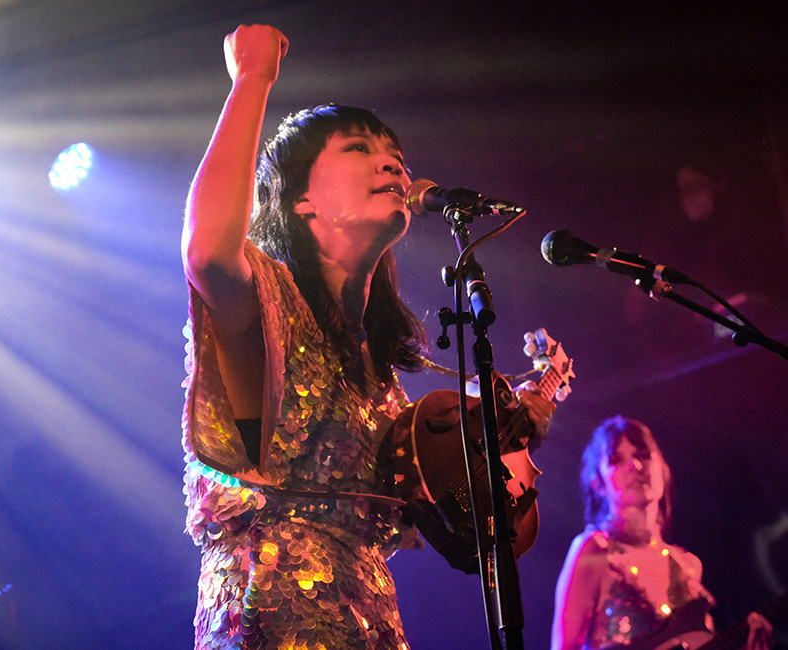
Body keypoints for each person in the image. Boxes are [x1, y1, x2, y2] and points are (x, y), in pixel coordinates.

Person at [180, 24, 557, 650]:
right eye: (360, 149)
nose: (393, 162)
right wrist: (251, 80)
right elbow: (208, 254)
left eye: (396, 155)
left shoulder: (379, 380)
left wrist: (503, 443)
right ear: (300, 200)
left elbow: (423, 524)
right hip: (274, 621)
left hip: (371, 622)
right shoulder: (269, 307)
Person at [551, 415, 773, 650]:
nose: (635, 466)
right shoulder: (594, 550)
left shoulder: (688, 566)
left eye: (643, 455)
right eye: (616, 460)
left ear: (663, 469)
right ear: (599, 484)